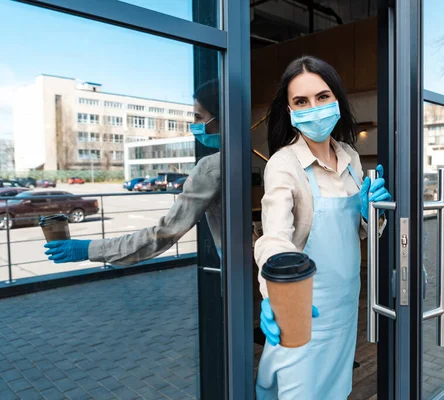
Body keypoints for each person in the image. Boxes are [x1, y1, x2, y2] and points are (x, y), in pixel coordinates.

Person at [253, 56, 391, 399]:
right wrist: (276, 292)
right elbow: (274, 236)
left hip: (345, 305)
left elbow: (362, 232)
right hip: (302, 306)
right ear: (290, 110)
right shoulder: (285, 165)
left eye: (322, 96)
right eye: (301, 101)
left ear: (337, 101)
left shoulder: (349, 157)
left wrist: (374, 213)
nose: (313, 107)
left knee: (334, 388)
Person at [44, 80, 222, 266]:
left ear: (221, 117)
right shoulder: (246, 153)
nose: (194, 124)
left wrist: (89, 249)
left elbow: (163, 234)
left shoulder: (211, 167)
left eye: (198, 117)